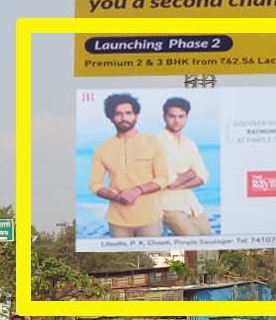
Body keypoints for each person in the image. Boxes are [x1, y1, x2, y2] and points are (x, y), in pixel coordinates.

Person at [88, 91, 168, 239]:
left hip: (150, 218)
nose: (124, 117)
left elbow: (163, 178)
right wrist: (115, 196)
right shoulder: (102, 149)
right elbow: (95, 185)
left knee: (151, 260)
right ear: (111, 117)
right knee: (122, 261)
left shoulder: (153, 143)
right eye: (118, 114)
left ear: (136, 115)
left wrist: (138, 190)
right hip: (117, 221)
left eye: (128, 113)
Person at [154, 96, 212, 238]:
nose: (176, 120)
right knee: (194, 240)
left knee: (210, 240)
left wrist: (179, 181)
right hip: (167, 206)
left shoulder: (189, 143)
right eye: (172, 116)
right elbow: (169, 181)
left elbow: (203, 176)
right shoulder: (156, 142)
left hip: (192, 205)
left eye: (181, 116)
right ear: (164, 117)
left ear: (186, 117)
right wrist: (189, 174)